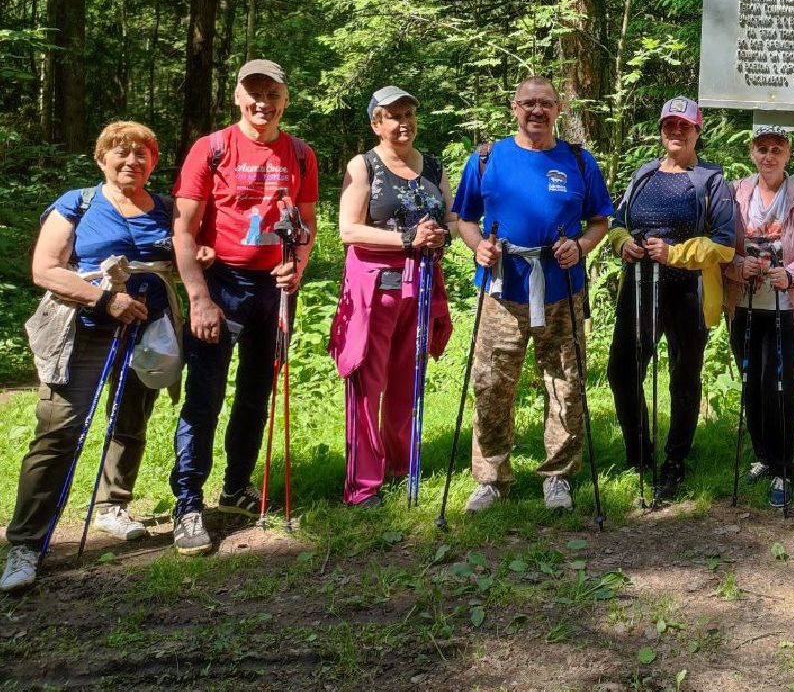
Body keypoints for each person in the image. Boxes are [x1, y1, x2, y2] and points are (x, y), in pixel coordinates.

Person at [1, 123, 182, 592]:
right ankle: (25, 542)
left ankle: (111, 506)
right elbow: (45, 268)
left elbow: (182, 258)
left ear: (154, 162)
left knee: (130, 420)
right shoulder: (78, 203)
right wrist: (104, 301)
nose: (132, 162)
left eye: (143, 155)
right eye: (121, 154)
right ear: (101, 159)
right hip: (81, 331)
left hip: (147, 330)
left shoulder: (165, 207)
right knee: (60, 428)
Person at [169, 59, 318, 555]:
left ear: (285, 99)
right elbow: (184, 231)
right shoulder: (210, 149)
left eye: (272, 93)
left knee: (256, 393)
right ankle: (188, 503)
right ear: (238, 96)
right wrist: (198, 298)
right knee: (204, 396)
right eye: (253, 93)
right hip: (221, 284)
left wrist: (295, 268)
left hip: (274, 289)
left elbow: (307, 223)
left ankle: (235, 488)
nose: (262, 103)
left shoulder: (300, 154)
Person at [452, 77, 613, 514]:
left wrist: (580, 246)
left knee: (565, 383)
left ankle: (557, 475)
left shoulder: (579, 160)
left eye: (545, 104)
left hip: (562, 288)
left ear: (559, 109)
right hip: (502, 289)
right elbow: (462, 218)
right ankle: (490, 478)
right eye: (528, 104)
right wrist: (477, 245)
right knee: (491, 383)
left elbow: (600, 220)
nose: (536, 112)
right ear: (513, 107)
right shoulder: (487, 159)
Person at [330, 87, 456, 507]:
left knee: (408, 381)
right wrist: (406, 238)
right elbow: (348, 230)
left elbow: (452, 221)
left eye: (409, 114)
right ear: (376, 123)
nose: (403, 123)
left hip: (421, 287)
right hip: (375, 288)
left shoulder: (434, 166)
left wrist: (442, 235)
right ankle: (363, 485)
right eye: (393, 116)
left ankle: (400, 465)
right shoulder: (364, 166)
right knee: (369, 382)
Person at [607, 95, 737, 501]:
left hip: (688, 289)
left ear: (697, 131)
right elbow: (615, 222)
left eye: (684, 126)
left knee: (684, 374)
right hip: (640, 283)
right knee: (622, 370)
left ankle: (676, 457)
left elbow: (726, 243)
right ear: (661, 131)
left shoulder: (712, 180)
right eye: (669, 126)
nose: (676, 132)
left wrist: (676, 253)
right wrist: (623, 242)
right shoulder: (643, 175)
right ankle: (639, 454)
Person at [723, 125, 794, 508]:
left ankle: (783, 466)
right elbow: (721, 244)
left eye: (777, 149)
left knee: (778, 383)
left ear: (788, 154)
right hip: (745, 303)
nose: (769, 156)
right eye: (763, 149)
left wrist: (793, 274)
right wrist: (737, 266)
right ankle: (762, 455)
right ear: (752, 153)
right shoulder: (736, 192)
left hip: (787, 305)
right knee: (751, 382)